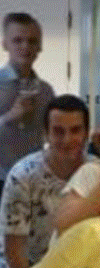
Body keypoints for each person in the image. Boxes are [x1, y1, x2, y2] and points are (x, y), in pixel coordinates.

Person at [0, 95, 91, 268]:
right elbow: (14, 248)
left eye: (75, 130)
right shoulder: (22, 176)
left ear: (86, 133)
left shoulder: (99, 173)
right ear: (46, 134)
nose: (67, 140)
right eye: (58, 131)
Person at [0, 13, 55, 189]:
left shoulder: (46, 91)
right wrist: (9, 117)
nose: (25, 46)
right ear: (4, 44)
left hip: (34, 180)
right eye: (17, 40)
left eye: (32, 41)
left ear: (40, 47)